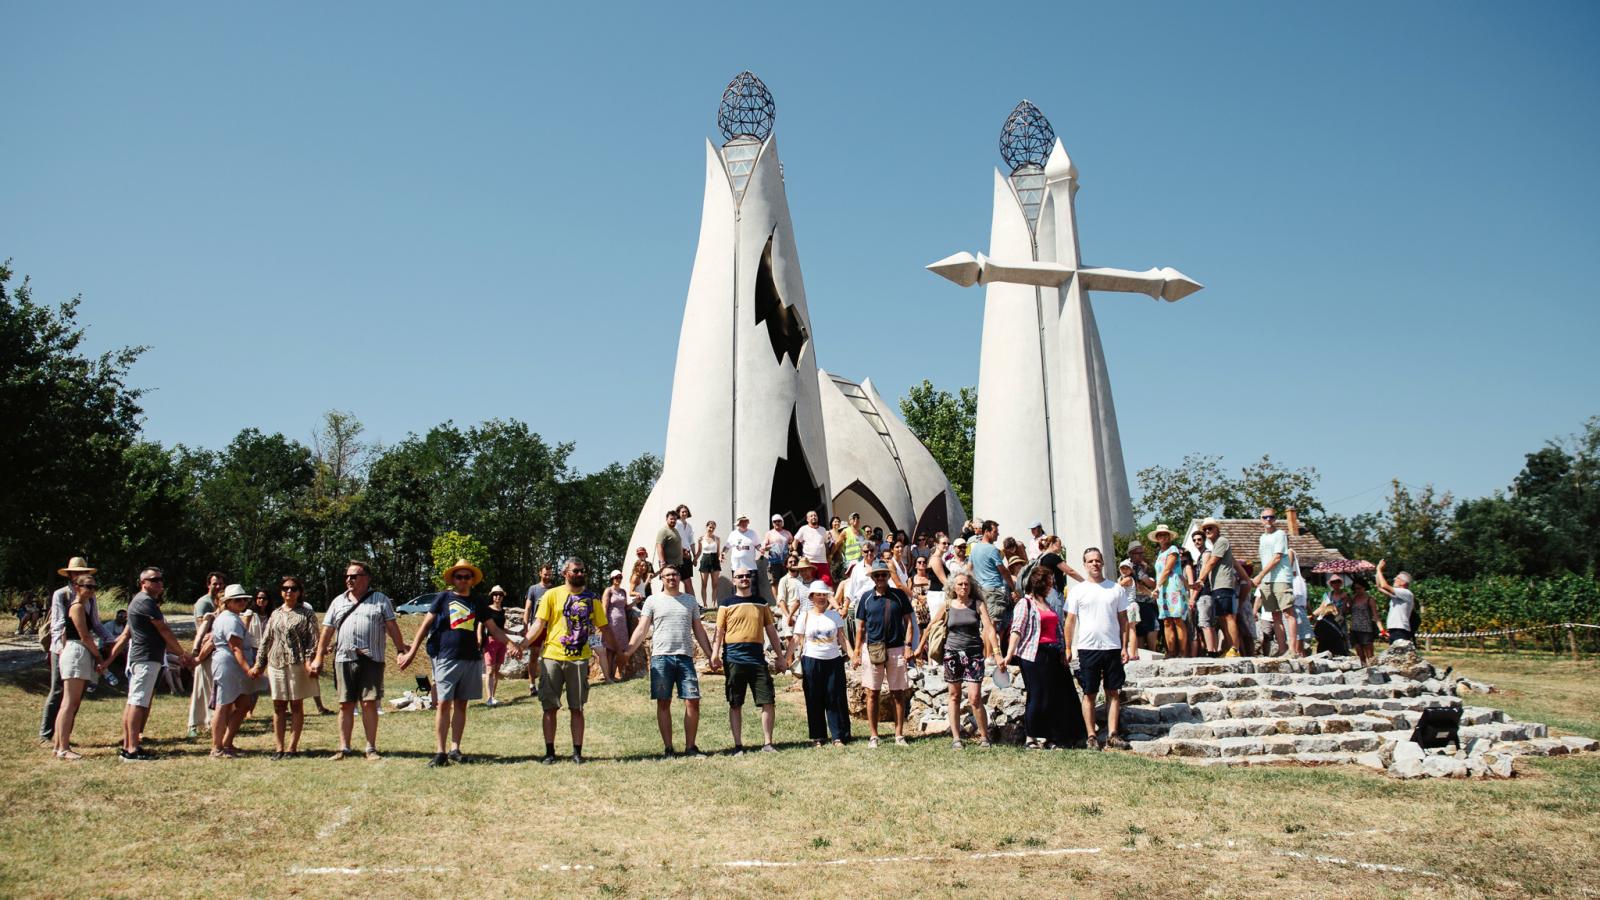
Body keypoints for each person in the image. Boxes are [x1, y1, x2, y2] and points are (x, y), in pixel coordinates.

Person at [398, 560, 524, 767]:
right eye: (459, 576)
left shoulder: (478, 601)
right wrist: (411, 653)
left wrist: (511, 643)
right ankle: (440, 752)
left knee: (462, 704)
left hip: (471, 658)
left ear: (472, 580)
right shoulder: (443, 598)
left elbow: (493, 629)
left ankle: (455, 748)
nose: (463, 580)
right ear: (453, 579)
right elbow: (425, 625)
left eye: (467, 577)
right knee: (444, 704)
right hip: (446, 656)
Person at [310, 560, 408, 761]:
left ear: (367, 578)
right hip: (344, 659)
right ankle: (344, 748)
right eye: (347, 576)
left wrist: (400, 650)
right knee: (345, 704)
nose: (349, 579)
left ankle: (370, 748)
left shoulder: (380, 600)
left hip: (371, 659)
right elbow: (327, 631)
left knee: (369, 704)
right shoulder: (338, 601)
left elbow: (391, 627)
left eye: (354, 576)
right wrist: (318, 657)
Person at [527, 557, 618, 765]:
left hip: (579, 659)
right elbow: (539, 624)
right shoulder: (551, 595)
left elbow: (604, 628)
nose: (580, 574)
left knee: (577, 707)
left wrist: (620, 652)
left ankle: (577, 752)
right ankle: (550, 752)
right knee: (549, 707)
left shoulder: (592, 598)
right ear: (565, 573)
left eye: (582, 571)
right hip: (553, 656)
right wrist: (522, 644)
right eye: (575, 571)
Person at [99, 567, 194, 761]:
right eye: (154, 579)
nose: (160, 582)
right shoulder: (145, 602)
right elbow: (164, 631)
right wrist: (183, 654)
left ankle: (129, 744)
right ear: (143, 583)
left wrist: (108, 660)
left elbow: (126, 635)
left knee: (135, 701)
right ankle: (132, 749)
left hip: (142, 658)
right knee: (138, 702)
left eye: (161, 579)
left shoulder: (137, 602)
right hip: (145, 659)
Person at [625, 567, 714, 757]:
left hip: (685, 657)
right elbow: (642, 628)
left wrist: (710, 655)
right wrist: (628, 651)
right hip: (661, 657)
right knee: (663, 703)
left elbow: (698, 630)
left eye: (674, 575)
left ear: (679, 577)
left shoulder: (690, 601)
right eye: (667, 575)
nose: (671, 578)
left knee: (692, 701)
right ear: (662, 579)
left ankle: (691, 747)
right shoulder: (652, 601)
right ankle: (668, 748)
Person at [1003, 566, 1084, 749]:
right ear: (1039, 582)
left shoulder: (1048, 604)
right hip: (1034, 654)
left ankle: (1052, 736)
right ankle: (1031, 736)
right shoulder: (1026, 603)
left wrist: (1064, 650)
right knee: (1038, 695)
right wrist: (1009, 654)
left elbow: (1058, 630)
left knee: (1055, 695)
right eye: (1048, 581)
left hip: (1053, 652)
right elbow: (1017, 629)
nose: (1051, 584)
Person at [920, 571, 1001, 749]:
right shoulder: (948, 605)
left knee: (975, 697)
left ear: (971, 587)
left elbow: (989, 629)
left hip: (974, 655)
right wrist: (919, 648)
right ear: (953, 588)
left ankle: (984, 737)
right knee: (954, 696)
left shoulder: (978, 604)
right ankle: (956, 738)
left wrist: (997, 653)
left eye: (966, 584)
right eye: (960, 584)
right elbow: (931, 625)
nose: (964, 587)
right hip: (952, 654)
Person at [711, 567, 788, 754]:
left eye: (747, 576)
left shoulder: (761, 603)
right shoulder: (726, 604)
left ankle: (768, 743)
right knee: (735, 702)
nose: (744, 579)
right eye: (740, 576)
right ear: (734, 580)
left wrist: (781, 657)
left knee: (767, 699)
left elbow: (771, 630)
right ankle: (738, 745)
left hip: (757, 658)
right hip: (734, 657)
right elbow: (719, 631)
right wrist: (714, 654)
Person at [1064, 549, 1133, 750]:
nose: (1094, 564)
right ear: (1084, 565)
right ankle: (1091, 735)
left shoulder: (1115, 589)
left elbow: (1123, 620)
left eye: (1098, 560)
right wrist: (1068, 647)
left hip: (1112, 647)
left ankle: (1113, 734)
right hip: (1088, 648)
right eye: (1090, 561)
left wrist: (1124, 646)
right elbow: (1070, 621)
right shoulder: (1078, 591)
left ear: (1103, 563)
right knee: (1089, 692)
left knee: (1113, 691)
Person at [41, 557, 112, 746]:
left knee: (76, 696)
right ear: (71, 575)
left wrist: (110, 639)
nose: (82, 576)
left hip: (82, 648)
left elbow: (95, 623)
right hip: (64, 648)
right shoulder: (61, 594)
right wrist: (62, 648)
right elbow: (57, 624)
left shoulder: (90, 597)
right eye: (77, 572)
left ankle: (63, 736)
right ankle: (46, 734)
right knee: (58, 691)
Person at [249, 576, 321, 758]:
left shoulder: (306, 614)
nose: (289, 591)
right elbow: (266, 640)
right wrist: (259, 664)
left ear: (299, 592)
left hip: (296, 664)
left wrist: (309, 661)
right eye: (285, 588)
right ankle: (279, 747)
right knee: (278, 706)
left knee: (296, 705)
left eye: (293, 588)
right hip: (276, 664)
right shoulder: (275, 613)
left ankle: (292, 747)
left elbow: (313, 641)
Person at [850, 559, 914, 748]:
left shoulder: (899, 596)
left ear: (888, 576)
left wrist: (908, 645)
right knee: (872, 692)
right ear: (872, 577)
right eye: (877, 575)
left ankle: (899, 734)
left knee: (898, 692)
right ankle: (874, 735)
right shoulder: (866, 598)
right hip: (873, 649)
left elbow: (909, 622)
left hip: (896, 648)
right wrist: (856, 651)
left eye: (883, 574)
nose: (880, 578)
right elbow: (860, 627)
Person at [788, 579, 850, 747]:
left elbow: (842, 638)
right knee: (813, 698)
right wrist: (786, 657)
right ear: (812, 597)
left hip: (833, 660)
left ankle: (837, 735)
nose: (821, 598)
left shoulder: (834, 615)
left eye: (824, 594)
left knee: (834, 697)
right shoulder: (804, 615)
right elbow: (796, 638)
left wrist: (853, 655)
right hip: (811, 660)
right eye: (818, 595)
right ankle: (818, 736)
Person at [51, 574, 107, 760]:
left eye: (94, 587)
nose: (91, 590)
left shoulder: (84, 606)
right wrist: (99, 657)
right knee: (69, 703)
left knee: (70, 703)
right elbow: (85, 636)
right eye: (88, 586)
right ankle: (63, 748)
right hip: (76, 651)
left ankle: (59, 745)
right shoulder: (77, 607)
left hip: (78, 650)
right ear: (77, 587)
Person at [208, 584, 258, 758]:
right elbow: (235, 647)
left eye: (244, 599)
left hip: (234, 665)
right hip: (229, 665)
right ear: (228, 602)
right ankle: (217, 747)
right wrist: (248, 669)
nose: (242, 602)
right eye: (237, 600)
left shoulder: (231, 617)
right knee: (224, 705)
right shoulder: (229, 619)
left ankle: (227, 743)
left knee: (243, 704)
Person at [1193, 518, 1249, 657]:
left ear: (1217, 529)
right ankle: (1230, 648)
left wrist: (1201, 579)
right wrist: (1247, 578)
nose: (1207, 531)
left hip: (1223, 584)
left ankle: (1235, 649)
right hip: (1216, 586)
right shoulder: (1216, 546)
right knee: (1223, 618)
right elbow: (1234, 562)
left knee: (1229, 617)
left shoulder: (1221, 541)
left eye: (1210, 528)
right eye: (1205, 529)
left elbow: (1211, 563)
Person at [1251, 507, 1300, 657]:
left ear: (1275, 519)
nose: (1268, 520)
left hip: (1280, 578)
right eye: (1265, 517)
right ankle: (1282, 648)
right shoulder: (1262, 538)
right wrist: (1262, 577)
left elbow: (1277, 558)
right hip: (1267, 580)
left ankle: (1292, 648)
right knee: (1275, 615)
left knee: (1288, 612)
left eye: (1271, 517)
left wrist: (1260, 575)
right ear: (1260, 519)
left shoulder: (1280, 534)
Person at [187, 571, 226, 738]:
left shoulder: (221, 607)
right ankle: (194, 724)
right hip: (206, 652)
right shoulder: (204, 604)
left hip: (217, 653)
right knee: (201, 689)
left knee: (213, 691)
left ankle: (211, 722)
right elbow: (202, 631)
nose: (217, 586)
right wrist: (197, 653)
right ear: (208, 584)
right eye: (214, 583)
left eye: (220, 584)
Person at [969, 520, 1016, 653]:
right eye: (995, 532)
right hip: (993, 589)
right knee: (992, 624)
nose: (998, 534)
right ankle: (990, 655)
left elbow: (969, 568)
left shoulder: (975, 548)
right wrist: (1013, 588)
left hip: (981, 589)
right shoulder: (992, 550)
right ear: (986, 532)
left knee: (986, 623)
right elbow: (1004, 571)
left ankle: (987, 654)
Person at [1150, 526, 1192, 659]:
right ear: (1157, 538)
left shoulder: (1173, 550)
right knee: (1167, 620)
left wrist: (1157, 586)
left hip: (1173, 587)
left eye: (1165, 534)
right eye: (1160, 535)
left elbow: (1168, 570)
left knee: (1177, 619)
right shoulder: (1160, 553)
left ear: (1169, 536)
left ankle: (1183, 652)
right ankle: (1171, 651)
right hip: (1163, 589)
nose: (1162, 537)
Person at [523, 565, 558, 695]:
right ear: (540, 573)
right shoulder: (533, 589)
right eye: (545, 574)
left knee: (550, 656)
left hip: (551, 628)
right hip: (536, 627)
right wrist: (526, 626)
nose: (548, 576)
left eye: (550, 574)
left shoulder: (554, 590)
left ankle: (549, 682)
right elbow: (527, 608)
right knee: (534, 655)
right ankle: (532, 685)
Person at [599, 570, 632, 683]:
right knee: (610, 649)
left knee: (620, 649)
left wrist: (635, 602)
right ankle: (608, 676)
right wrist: (604, 624)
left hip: (622, 623)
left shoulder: (623, 591)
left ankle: (613, 675)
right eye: (616, 577)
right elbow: (604, 607)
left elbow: (626, 607)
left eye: (620, 577)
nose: (618, 579)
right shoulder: (608, 590)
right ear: (612, 579)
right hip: (612, 622)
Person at [480, 585, 510, 705]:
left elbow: (503, 628)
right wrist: (479, 638)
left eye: (500, 595)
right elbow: (480, 625)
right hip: (490, 641)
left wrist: (516, 633)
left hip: (501, 642)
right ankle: (489, 698)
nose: (498, 597)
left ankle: (493, 696)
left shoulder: (502, 611)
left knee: (497, 670)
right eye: (496, 594)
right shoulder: (487, 609)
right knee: (490, 670)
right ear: (492, 596)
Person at [1127, 542, 1159, 652]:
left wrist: (1145, 574)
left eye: (1142, 552)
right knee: (1147, 628)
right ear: (1131, 554)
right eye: (1138, 553)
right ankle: (1147, 653)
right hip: (1138, 601)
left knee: (1147, 628)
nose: (1141, 555)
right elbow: (1140, 584)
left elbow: (1150, 583)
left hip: (1142, 601)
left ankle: (1148, 653)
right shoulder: (1129, 566)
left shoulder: (1143, 566)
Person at [1374, 560, 1416, 644]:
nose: (1394, 579)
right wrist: (1378, 571)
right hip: (1395, 629)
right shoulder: (1398, 595)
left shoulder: (1406, 593)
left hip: (1400, 629)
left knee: (1400, 656)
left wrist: (1379, 569)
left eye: (1397, 578)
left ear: (1403, 582)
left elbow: (1384, 585)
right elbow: (1379, 587)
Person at [725, 514, 764, 600]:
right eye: (741, 522)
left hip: (750, 567)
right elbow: (727, 547)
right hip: (737, 567)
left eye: (745, 522)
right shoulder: (733, 534)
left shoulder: (752, 533)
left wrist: (761, 549)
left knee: (753, 589)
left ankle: (755, 606)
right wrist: (722, 554)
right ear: (738, 524)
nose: (743, 524)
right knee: (738, 589)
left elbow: (757, 545)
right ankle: (738, 605)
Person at [655, 508, 688, 605]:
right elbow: (659, 546)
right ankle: (660, 603)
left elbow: (677, 544)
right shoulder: (663, 531)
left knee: (686, 581)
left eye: (675, 519)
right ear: (667, 519)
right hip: (668, 563)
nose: (673, 521)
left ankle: (693, 604)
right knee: (667, 584)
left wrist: (683, 552)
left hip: (679, 562)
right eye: (671, 519)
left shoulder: (675, 530)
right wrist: (662, 563)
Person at [794, 510, 834, 587]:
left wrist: (828, 557)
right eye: (811, 516)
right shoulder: (803, 529)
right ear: (807, 519)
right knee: (810, 585)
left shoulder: (823, 529)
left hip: (823, 563)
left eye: (815, 515)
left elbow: (825, 543)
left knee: (827, 583)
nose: (814, 517)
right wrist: (795, 551)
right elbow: (795, 541)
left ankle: (829, 599)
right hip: (809, 563)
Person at [1346, 577, 1379, 664]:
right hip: (1354, 629)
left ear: (1364, 587)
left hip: (1366, 629)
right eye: (1355, 588)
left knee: (1370, 655)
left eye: (1359, 588)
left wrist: (1381, 628)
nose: (1357, 590)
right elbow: (1347, 612)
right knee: (1360, 654)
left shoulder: (1370, 599)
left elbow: (1375, 615)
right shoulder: (1353, 599)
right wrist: (1348, 602)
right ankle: (1363, 669)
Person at [695, 519, 723, 604]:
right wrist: (695, 559)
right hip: (705, 560)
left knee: (715, 584)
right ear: (706, 527)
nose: (711, 529)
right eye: (710, 527)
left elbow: (718, 552)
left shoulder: (717, 539)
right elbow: (699, 551)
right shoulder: (701, 539)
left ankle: (714, 604)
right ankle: (705, 604)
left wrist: (720, 557)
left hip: (715, 561)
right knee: (704, 584)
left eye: (713, 528)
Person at [674, 504, 698, 598]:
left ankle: (692, 603)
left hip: (687, 555)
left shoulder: (689, 526)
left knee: (687, 581)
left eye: (686, 511)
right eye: (683, 512)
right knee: (674, 580)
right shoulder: (676, 524)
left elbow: (691, 542)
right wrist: (681, 552)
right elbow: (675, 539)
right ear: (678, 513)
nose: (685, 513)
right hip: (678, 555)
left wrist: (695, 556)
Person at [763, 514, 793, 588]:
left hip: (786, 562)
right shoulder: (769, 533)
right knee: (775, 583)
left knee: (788, 582)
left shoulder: (787, 533)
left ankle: (786, 599)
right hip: (774, 562)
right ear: (772, 523)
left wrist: (790, 548)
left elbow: (791, 545)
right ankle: (777, 600)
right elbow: (764, 547)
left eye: (779, 521)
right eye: (774, 521)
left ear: (782, 522)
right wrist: (769, 547)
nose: (777, 523)